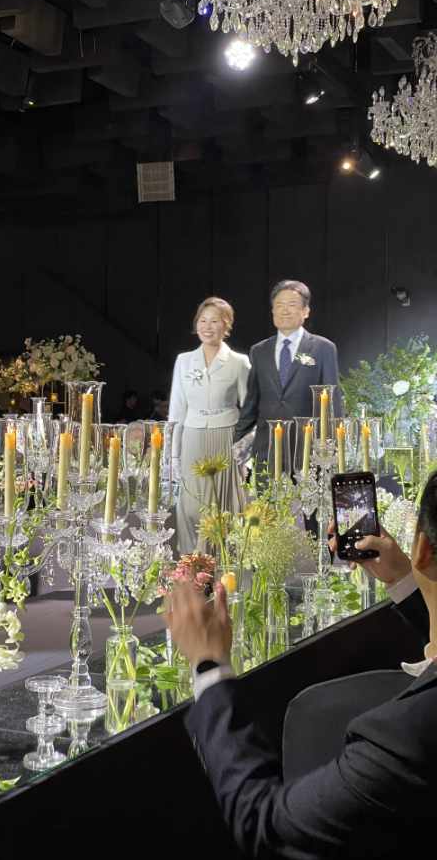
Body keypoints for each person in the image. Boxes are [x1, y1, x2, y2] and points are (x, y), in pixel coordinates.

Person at [166, 471, 437, 860]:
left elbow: (267, 827)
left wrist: (209, 668)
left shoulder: (406, 735)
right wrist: (405, 579)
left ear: (423, 549)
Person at [168, 296, 250, 555]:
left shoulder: (239, 362)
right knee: (191, 506)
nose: (207, 326)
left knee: (224, 509)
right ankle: (192, 566)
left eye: (214, 321)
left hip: (226, 440)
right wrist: (173, 455)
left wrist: (245, 454)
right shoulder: (184, 361)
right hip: (192, 438)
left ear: (226, 325)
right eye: (203, 320)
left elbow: (250, 412)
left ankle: (226, 568)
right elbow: (176, 410)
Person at [234, 280, 342, 470]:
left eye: (292, 305)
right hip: (266, 447)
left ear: (306, 311)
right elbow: (251, 402)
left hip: (307, 448)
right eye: (279, 305)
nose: (284, 310)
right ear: (272, 311)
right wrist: (236, 441)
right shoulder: (259, 351)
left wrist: (334, 448)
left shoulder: (323, 348)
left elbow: (332, 403)